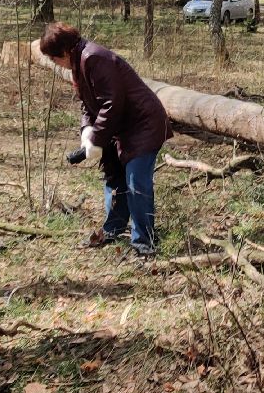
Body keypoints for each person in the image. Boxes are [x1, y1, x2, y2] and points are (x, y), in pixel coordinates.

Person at [38, 23, 171, 257]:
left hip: (143, 125)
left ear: (65, 51)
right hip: (119, 128)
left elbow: (111, 103)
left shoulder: (94, 58)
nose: (54, 63)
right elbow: (88, 103)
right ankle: (113, 229)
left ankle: (144, 242)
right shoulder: (79, 62)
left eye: (54, 58)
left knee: (136, 182)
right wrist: (87, 131)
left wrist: (97, 138)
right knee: (114, 177)